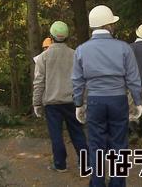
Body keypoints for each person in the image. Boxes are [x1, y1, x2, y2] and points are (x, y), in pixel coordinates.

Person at [72, 5, 142, 187]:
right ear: (108, 26)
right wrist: (137, 102)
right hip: (118, 100)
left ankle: (97, 183)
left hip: (95, 101)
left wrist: (79, 103)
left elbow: (77, 80)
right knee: (119, 145)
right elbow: (133, 78)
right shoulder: (124, 48)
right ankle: (117, 183)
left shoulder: (81, 50)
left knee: (96, 145)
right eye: (112, 23)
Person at [33, 21, 88, 173]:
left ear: (51, 36)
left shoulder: (43, 57)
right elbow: (82, 80)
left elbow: (38, 82)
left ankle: (60, 164)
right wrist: (83, 102)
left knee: (56, 135)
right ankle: (86, 163)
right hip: (72, 101)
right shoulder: (75, 54)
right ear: (67, 36)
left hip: (52, 103)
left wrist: (36, 103)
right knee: (77, 132)